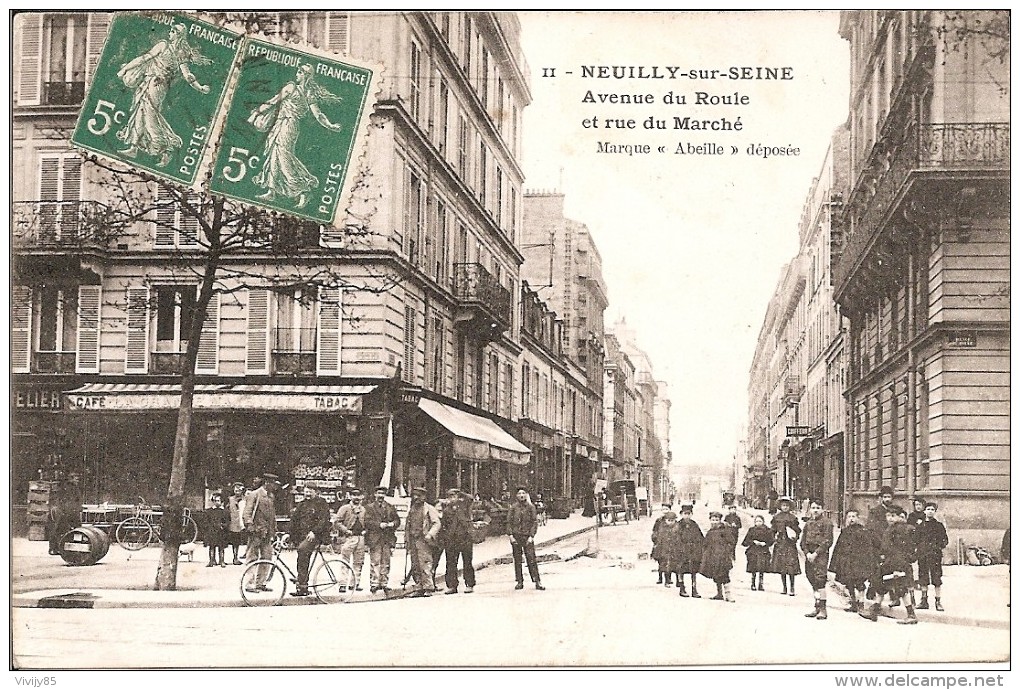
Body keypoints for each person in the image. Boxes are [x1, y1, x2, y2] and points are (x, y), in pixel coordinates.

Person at [115, 23, 212, 167]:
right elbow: (187, 75)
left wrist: (200, 87)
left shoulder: (168, 48)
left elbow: (145, 59)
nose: (169, 34)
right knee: (140, 113)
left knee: (150, 116)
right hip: (151, 83)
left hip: (156, 85)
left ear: (178, 35)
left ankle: (166, 149)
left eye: (173, 32)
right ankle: (134, 147)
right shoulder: (174, 50)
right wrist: (200, 87)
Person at [249, 63, 344, 208]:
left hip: (288, 125)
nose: (296, 74)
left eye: (299, 72)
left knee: (283, 156)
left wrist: (257, 112)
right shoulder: (307, 93)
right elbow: (317, 114)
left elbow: (273, 102)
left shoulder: (294, 88)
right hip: (283, 124)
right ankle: (272, 190)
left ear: (305, 75)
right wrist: (330, 125)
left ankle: (303, 190)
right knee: (274, 155)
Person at [860, 505, 919, 624]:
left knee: (901, 589)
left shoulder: (901, 530)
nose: (890, 518)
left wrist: (898, 568)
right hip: (889, 563)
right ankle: (875, 611)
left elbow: (900, 550)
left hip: (897, 564)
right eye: (888, 515)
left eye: (893, 516)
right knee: (881, 587)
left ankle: (911, 615)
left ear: (899, 517)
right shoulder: (891, 528)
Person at [828, 509, 879, 613]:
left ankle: (861, 603)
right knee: (849, 582)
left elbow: (868, 547)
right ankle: (853, 603)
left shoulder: (863, 531)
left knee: (859, 582)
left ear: (858, 518)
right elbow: (839, 547)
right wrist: (835, 563)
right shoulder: (845, 531)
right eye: (849, 517)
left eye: (853, 517)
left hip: (859, 562)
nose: (851, 519)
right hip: (847, 562)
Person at [288, 482, 331, 596]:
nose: (307, 494)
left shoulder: (322, 503)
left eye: (309, 492)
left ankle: (302, 584)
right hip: (303, 536)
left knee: (302, 550)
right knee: (302, 557)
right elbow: (294, 520)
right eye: (305, 491)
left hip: (316, 536)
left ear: (316, 492)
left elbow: (324, 520)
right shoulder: (302, 504)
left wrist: (314, 532)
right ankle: (302, 583)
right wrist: (289, 535)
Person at [242, 472, 279, 593]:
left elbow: (272, 516)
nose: (274, 486)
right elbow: (247, 513)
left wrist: (274, 530)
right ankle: (248, 584)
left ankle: (260, 583)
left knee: (267, 557)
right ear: (267, 483)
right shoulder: (255, 494)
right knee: (252, 558)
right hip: (256, 532)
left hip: (267, 533)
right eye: (273, 484)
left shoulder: (271, 496)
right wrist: (250, 526)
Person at [404, 487, 442, 597]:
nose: (416, 498)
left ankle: (428, 587)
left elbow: (437, 523)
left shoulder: (429, 508)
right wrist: (406, 539)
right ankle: (419, 586)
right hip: (413, 539)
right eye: (415, 495)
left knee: (425, 563)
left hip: (423, 540)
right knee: (415, 564)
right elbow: (408, 525)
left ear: (424, 497)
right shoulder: (412, 509)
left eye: (419, 496)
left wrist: (430, 534)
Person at [801, 498, 834, 620]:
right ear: (810, 509)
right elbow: (802, 542)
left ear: (822, 510)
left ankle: (823, 610)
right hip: (809, 555)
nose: (815, 510)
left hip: (820, 555)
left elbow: (827, 541)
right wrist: (807, 553)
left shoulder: (827, 523)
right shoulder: (808, 524)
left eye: (818, 508)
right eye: (813, 508)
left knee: (820, 580)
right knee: (812, 579)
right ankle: (817, 606)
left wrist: (815, 554)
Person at [507, 487, 546, 591]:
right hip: (516, 536)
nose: (521, 495)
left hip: (527, 536)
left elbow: (534, 522)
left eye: (523, 493)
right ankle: (519, 581)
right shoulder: (513, 508)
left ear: (526, 494)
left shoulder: (531, 507)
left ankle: (537, 581)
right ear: (516, 496)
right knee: (517, 560)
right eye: (519, 493)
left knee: (531, 559)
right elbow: (509, 522)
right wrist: (510, 535)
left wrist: (531, 536)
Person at [364, 485, 400, 593]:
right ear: (375, 494)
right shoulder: (369, 508)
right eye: (378, 493)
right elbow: (367, 522)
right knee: (375, 562)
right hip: (375, 538)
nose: (380, 496)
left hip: (387, 538)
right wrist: (379, 525)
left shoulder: (390, 507)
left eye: (382, 494)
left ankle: (384, 583)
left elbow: (397, 521)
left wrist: (392, 524)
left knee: (386, 562)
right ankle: (374, 583)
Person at [914, 501, 949, 612]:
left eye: (932, 509)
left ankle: (938, 601)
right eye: (928, 509)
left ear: (935, 512)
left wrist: (938, 547)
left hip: (935, 555)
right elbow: (915, 539)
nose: (930, 511)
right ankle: (924, 601)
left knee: (936, 577)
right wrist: (920, 549)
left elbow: (945, 540)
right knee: (923, 577)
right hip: (923, 555)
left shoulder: (938, 525)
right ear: (924, 511)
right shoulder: (920, 525)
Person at [440, 488, 476, 594]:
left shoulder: (464, 506)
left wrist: (461, 493)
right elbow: (444, 526)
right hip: (452, 540)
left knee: (467, 562)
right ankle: (452, 586)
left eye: (454, 496)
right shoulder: (447, 510)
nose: (452, 499)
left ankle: (469, 584)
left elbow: (470, 498)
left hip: (465, 539)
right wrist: (444, 539)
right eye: (450, 497)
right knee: (451, 563)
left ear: (458, 497)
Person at [334, 488, 368, 591]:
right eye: (354, 495)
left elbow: (368, 523)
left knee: (358, 562)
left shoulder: (364, 510)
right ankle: (343, 584)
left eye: (358, 495)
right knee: (345, 561)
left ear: (362, 497)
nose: (356, 497)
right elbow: (336, 522)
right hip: (348, 538)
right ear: (350, 496)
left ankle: (355, 583)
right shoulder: (344, 508)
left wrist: (365, 531)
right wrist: (346, 530)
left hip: (360, 538)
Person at [700, 511, 737, 602]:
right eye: (713, 520)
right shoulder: (710, 532)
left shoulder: (725, 530)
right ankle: (719, 593)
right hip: (712, 557)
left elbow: (731, 542)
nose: (714, 522)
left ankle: (728, 595)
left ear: (720, 521)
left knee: (725, 575)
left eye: (717, 520)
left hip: (722, 557)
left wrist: (726, 551)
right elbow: (705, 543)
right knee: (716, 575)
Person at [770, 496, 801, 596]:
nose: (785, 507)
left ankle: (792, 587)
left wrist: (795, 537)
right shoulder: (776, 517)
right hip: (780, 544)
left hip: (790, 545)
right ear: (780, 506)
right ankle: (784, 587)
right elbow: (772, 530)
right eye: (783, 505)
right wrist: (774, 539)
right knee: (782, 567)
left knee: (791, 567)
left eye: (787, 506)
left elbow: (797, 530)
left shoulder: (793, 518)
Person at [46, 476, 82, 556]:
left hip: (70, 511)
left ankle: (64, 548)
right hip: (64, 511)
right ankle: (54, 548)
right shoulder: (66, 487)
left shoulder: (74, 488)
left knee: (65, 529)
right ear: (71, 479)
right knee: (58, 529)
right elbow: (60, 500)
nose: (78, 481)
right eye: (76, 479)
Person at [676, 503, 705, 597]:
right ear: (681, 514)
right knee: (681, 570)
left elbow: (700, 537)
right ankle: (682, 588)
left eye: (689, 514)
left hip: (693, 551)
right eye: (685, 514)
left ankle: (694, 589)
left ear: (691, 514)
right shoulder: (678, 525)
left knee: (693, 571)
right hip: (682, 551)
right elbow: (675, 538)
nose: (687, 516)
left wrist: (700, 547)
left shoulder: (694, 524)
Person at [741, 514, 774, 591]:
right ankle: (753, 583)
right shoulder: (752, 530)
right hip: (754, 550)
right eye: (757, 521)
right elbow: (746, 541)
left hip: (763, 550)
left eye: (760, 521)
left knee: (762, 567)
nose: (758, 523)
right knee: (753, 567)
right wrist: (753, 542)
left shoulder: (767, 530)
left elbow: (771, 540)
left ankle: (761, 584)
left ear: (763, 522)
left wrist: (765, 543)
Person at [651, 503, 674, 585]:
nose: (665, 511)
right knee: (660, 561)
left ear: (670, 510)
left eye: (666, 509)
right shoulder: (659, 520)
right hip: (660, 543)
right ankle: (660, 577)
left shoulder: (672, 520)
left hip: (669, 544)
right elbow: (655, 531)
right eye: (663, 509)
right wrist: (655, 540)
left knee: (669, 561)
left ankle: (669, 579)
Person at [204, 492, 229, 568]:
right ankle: (211, 560)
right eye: (215, 500)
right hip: (212, 531)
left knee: (221, 547)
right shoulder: (209, 511)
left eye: (218, 500)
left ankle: (221, 561)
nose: (216, 502)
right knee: (212, 546)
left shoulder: (225, 511)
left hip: (221, 532)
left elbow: (227, 521)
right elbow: (206, 521)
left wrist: (223, 526)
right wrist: (209, 527)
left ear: (222, 502)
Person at [226, 482, 247, 564]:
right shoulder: (230, 499)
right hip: (232, 522)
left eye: (239, 490)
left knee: (239, 541)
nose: (237, 492)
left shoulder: (245, 499)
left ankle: (239, 557)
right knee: (232, 541)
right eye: (236, 490)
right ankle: (229, 558)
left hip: (242, 522)